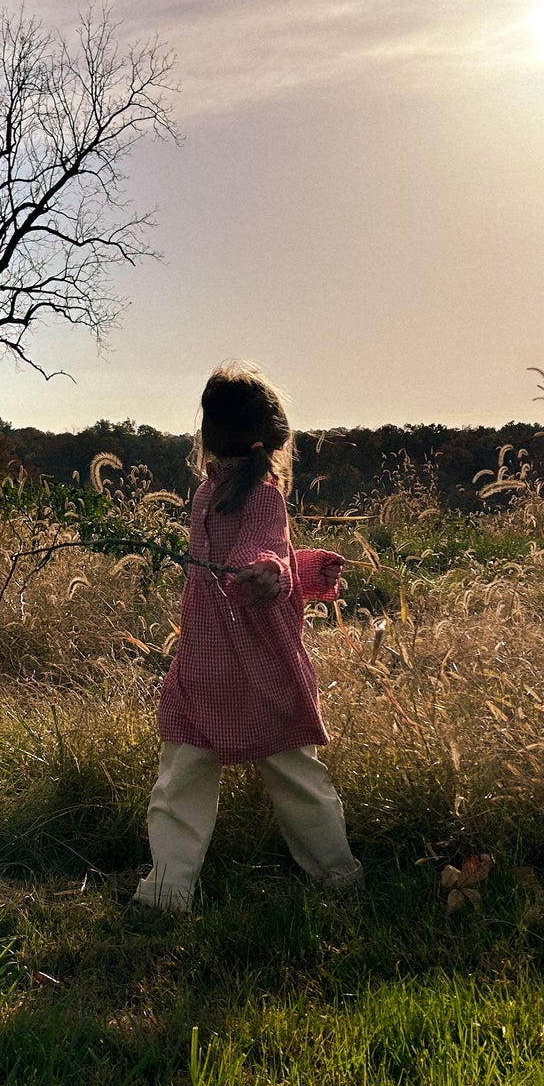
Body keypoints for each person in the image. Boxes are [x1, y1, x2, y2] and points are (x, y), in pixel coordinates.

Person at [133, 363, 364, 911]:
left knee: (180, 782)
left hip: (208, 665)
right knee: (296, 776)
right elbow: (260, 556)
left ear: (209, 436)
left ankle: (166, 892)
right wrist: (271, 572)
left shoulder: (228, 495)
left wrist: (273, 572)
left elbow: (258, 557)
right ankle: (338, 880)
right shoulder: (247, 494)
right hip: (258, 667)